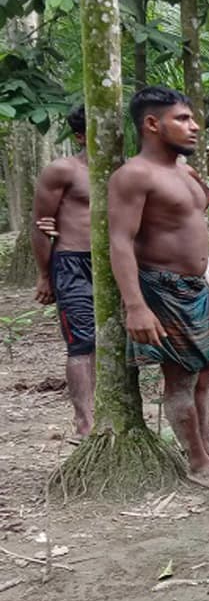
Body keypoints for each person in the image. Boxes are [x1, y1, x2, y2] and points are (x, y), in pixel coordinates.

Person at [108, 86, 209, 491]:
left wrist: (208, 285)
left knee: (205, 374)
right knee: (180, 378)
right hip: (162, 288)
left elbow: (193, 216)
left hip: (197, 287)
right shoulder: (134, 175)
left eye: (192, 118)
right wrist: (136, 306)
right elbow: (120, 241)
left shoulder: (184, 171)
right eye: (182, 119)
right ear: (152, 123)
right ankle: (197, 462)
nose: (194, 126)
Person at [30, 105, 95, 438]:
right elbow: (41, 225)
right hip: (72, 263)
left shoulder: (127, 171)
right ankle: (85, 423)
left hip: (117, 263)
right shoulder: (63, 170)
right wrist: (45, 275)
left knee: (116, 340)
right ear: (81, 136)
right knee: (82, 342)